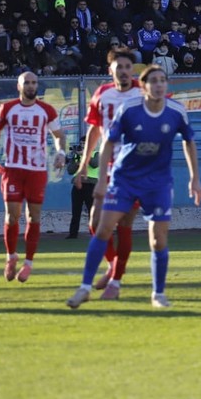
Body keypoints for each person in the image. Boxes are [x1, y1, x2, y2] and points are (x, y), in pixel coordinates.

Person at [67, 65, 201, 309]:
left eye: (162, 80)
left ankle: (158, 294)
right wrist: (101, 179)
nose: (159, 85)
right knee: (103, 228)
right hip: (125, 180)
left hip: (158, 183)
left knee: (158, 240)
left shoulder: (176, 111)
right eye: (154, 81)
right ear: (144, 86)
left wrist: (195, 178)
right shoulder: (129, 110)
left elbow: (189, 142)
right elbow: (108, 142)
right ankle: (85, 288)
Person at [72, 47, 141, 298]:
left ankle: (115, 282)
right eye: (118, 67)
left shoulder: (143, 92)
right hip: (108, 168)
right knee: (95, 222)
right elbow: (94, 130)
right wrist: (83, 165)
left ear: (132, 70)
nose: (123, 71)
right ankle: (114, 265)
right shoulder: (102, 93)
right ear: (110, 70)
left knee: (124, 224)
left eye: (127, 67)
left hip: (135, 170)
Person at [0, 72, 67, 282]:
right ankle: (11, 256)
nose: (31, 86)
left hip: (36, 171)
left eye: (34, 83)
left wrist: (61, 152)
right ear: (19, 86)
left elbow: (59, 135)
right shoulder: (7, 108)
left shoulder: (46, 110)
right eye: (27, 83)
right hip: (13, 169)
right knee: (12, 216)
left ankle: (29, 262)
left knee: (34, 216)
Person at [65, 141, 98, 239]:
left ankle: (94, 233)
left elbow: (94, 164)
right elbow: (70, 170)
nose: (83, 146)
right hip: (77, 185)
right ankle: (73, 234)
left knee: (92, 210)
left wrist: (85, 155)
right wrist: (77, 162)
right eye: (81, 144)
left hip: (90, 185)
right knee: (76, 211)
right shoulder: (76, 156)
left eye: (85, 144)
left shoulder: (96, 154)